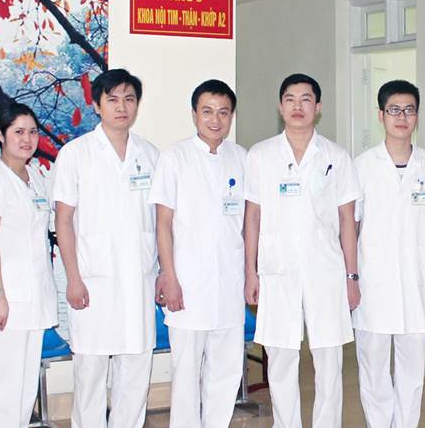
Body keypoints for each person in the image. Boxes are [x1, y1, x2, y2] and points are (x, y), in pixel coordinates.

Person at [243, 73, 361, 428]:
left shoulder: (336, 156)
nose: (298, 106)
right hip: (277, 270)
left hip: (326, 270)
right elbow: (252, 216)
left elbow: (347, 221)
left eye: (306, 99)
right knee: (280, 358)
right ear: (280, 107)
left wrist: (351, 276)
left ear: (318, 108)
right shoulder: (262, 155)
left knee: (328, 359)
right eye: (290, 99)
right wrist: (250, 270)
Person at [53, 68, 161, 428]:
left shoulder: (150, 154)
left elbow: (160, 222)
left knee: (135, 370)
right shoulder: (75, 153)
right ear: (96, 105)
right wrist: (72, 278)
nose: (122, 107)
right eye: (112, 99)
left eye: (129, 99)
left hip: (139, 278)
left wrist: (162, 272)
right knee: (91, 373)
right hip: (92, 279)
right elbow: (63, 221)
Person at [351, 80, 425, 428]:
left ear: (417, 116)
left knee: (413, 373)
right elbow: (351, 228)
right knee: (373, 370)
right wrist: (351, 277)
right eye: (394, 109)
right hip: (373, 285)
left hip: (417, 282)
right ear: (381, 115)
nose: (402, 117)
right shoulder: (361, 167)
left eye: (409, 110)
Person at [153, 79, 248, 428]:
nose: (215, 120)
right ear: (194, 114)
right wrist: (170, 276)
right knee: (187, 374)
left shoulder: (241, 158)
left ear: (231, 116)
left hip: (229, 282)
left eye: (223, 112)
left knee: (225, 372)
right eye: (207, 111)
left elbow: (249, 224)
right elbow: (164, 224)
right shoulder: (174, 158)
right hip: (188, 285)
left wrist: (250, 274)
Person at [0, 102, 58, 427]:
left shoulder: (36, 175)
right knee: (3, 386)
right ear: (0, 135)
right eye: (18, 132)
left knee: (25, 387)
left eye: (33, 132)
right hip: (7, 299)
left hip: (35, 294)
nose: (27, 139)